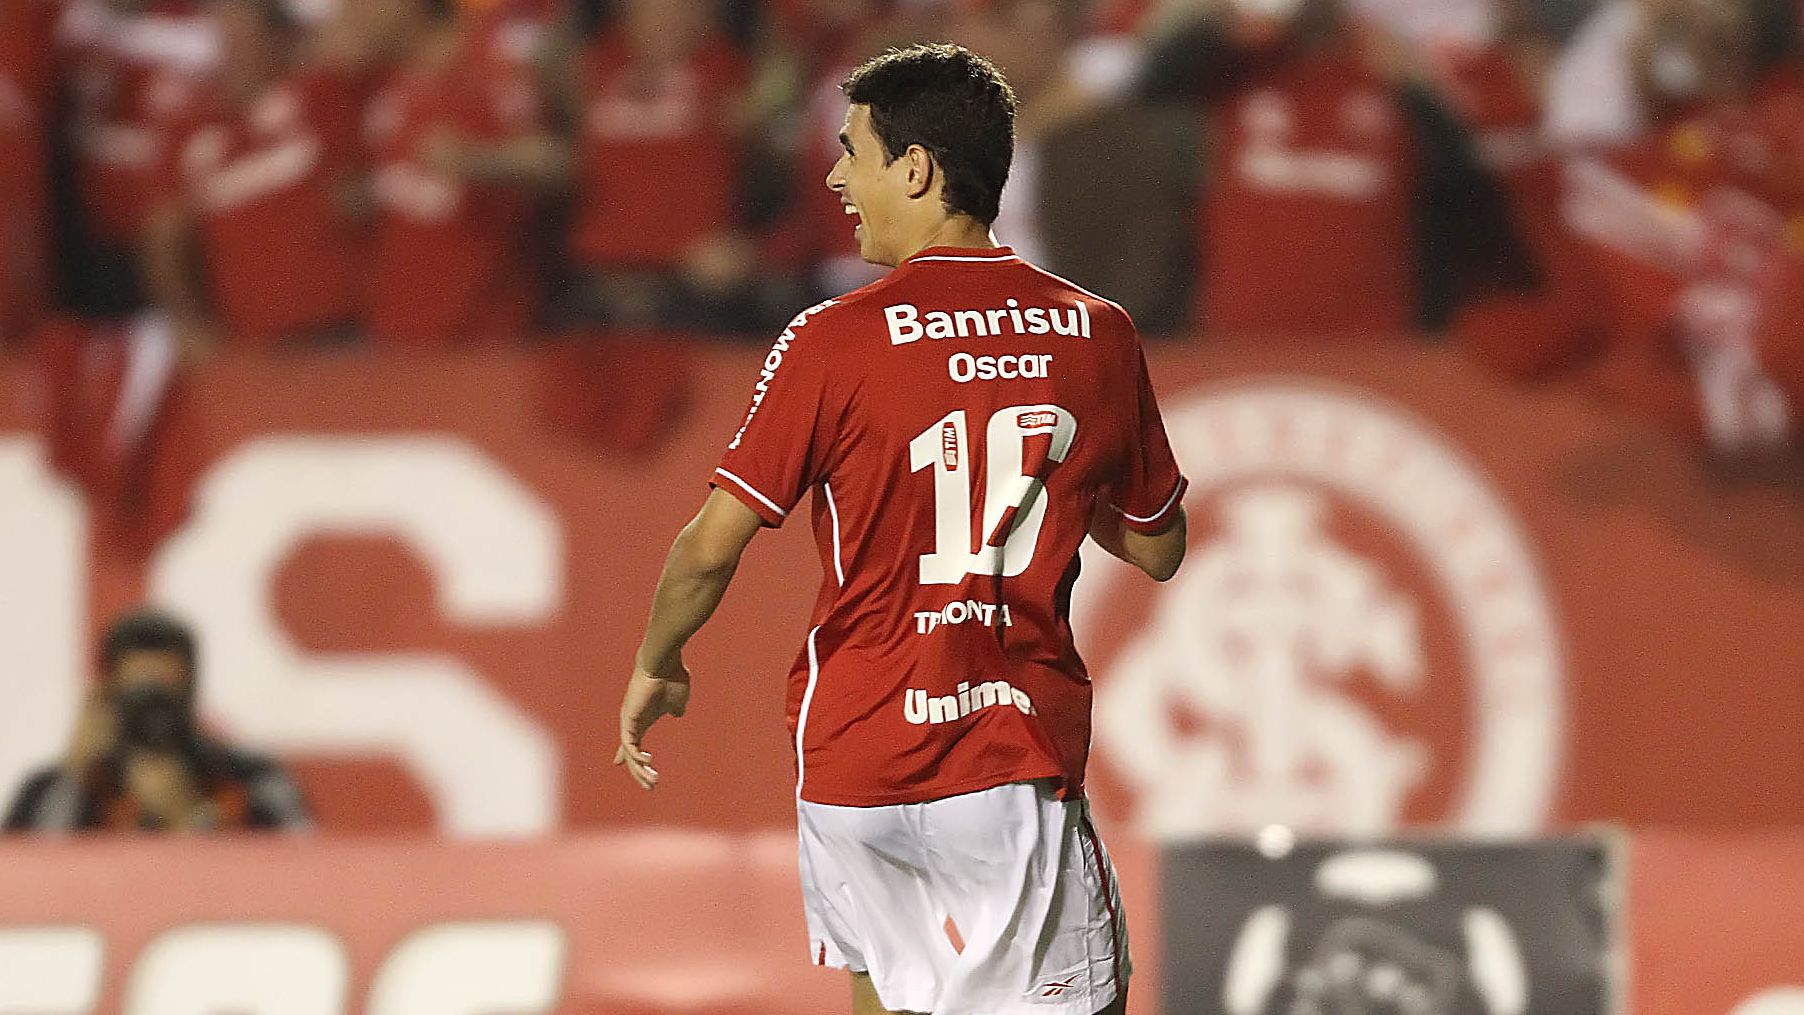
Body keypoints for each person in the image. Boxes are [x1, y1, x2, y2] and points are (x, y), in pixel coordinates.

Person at [613, 43, 1189, 1015]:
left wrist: (657, 661)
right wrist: (1050, 472)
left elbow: (710, 544)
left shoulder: (830, 336)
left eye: (853, 153)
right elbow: (1156, 545)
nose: (837, 178)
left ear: (915, 169)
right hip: (1009, 758)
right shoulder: (1094, 332)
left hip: (854, 768)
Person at [143, 0, 368, 357]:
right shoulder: (192, 132)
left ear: (279, 41)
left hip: (346, 329)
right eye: (225, 42)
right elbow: (164, 235)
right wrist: (190, 323)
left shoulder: (320, 96)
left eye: (244, 41)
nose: (232, 56)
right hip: (255, 345)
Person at [4, 609, 311, 833]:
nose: (151, 709)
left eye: (162, 691)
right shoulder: (54, 789)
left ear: (189, 687)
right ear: (108, 691)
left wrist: (186, 817)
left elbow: (305, 866)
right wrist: (75, 770)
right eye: (138, 692)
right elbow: (29, 880)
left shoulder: (252, 779)